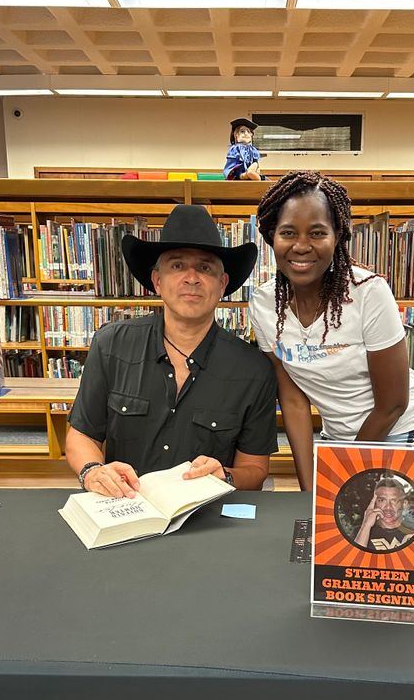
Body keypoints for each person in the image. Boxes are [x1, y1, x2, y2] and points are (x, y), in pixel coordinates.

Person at [249, 171, 414, 492]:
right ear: (272, 235)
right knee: (327, 530)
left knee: (384, 531)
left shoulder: (369, 292)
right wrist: (308, 489)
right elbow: (294, 399)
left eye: (317, 232)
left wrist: (346, 474)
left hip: (405, 428)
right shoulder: (263, 304)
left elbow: (393, 404)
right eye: (288, 232)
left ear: (337, 235)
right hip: (339, 438)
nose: (301, 246)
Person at [66, 204, 277, 497]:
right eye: (177, 266)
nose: (191, 277)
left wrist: (225, 475)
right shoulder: (111, 345)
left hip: (207, 515)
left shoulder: (254, 370)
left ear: (222, 284)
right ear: (157, 281)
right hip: (126, 507)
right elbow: (81, 434)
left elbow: (255, 469)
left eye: (205, 267)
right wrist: (92, 472)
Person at [353, 477, 414, 553]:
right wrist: (366, 526)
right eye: (381, 500)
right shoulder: (360, 532)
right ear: (374, 503)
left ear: (404, 504)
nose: (388, 507)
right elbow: (353, 560)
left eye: (394, 500)